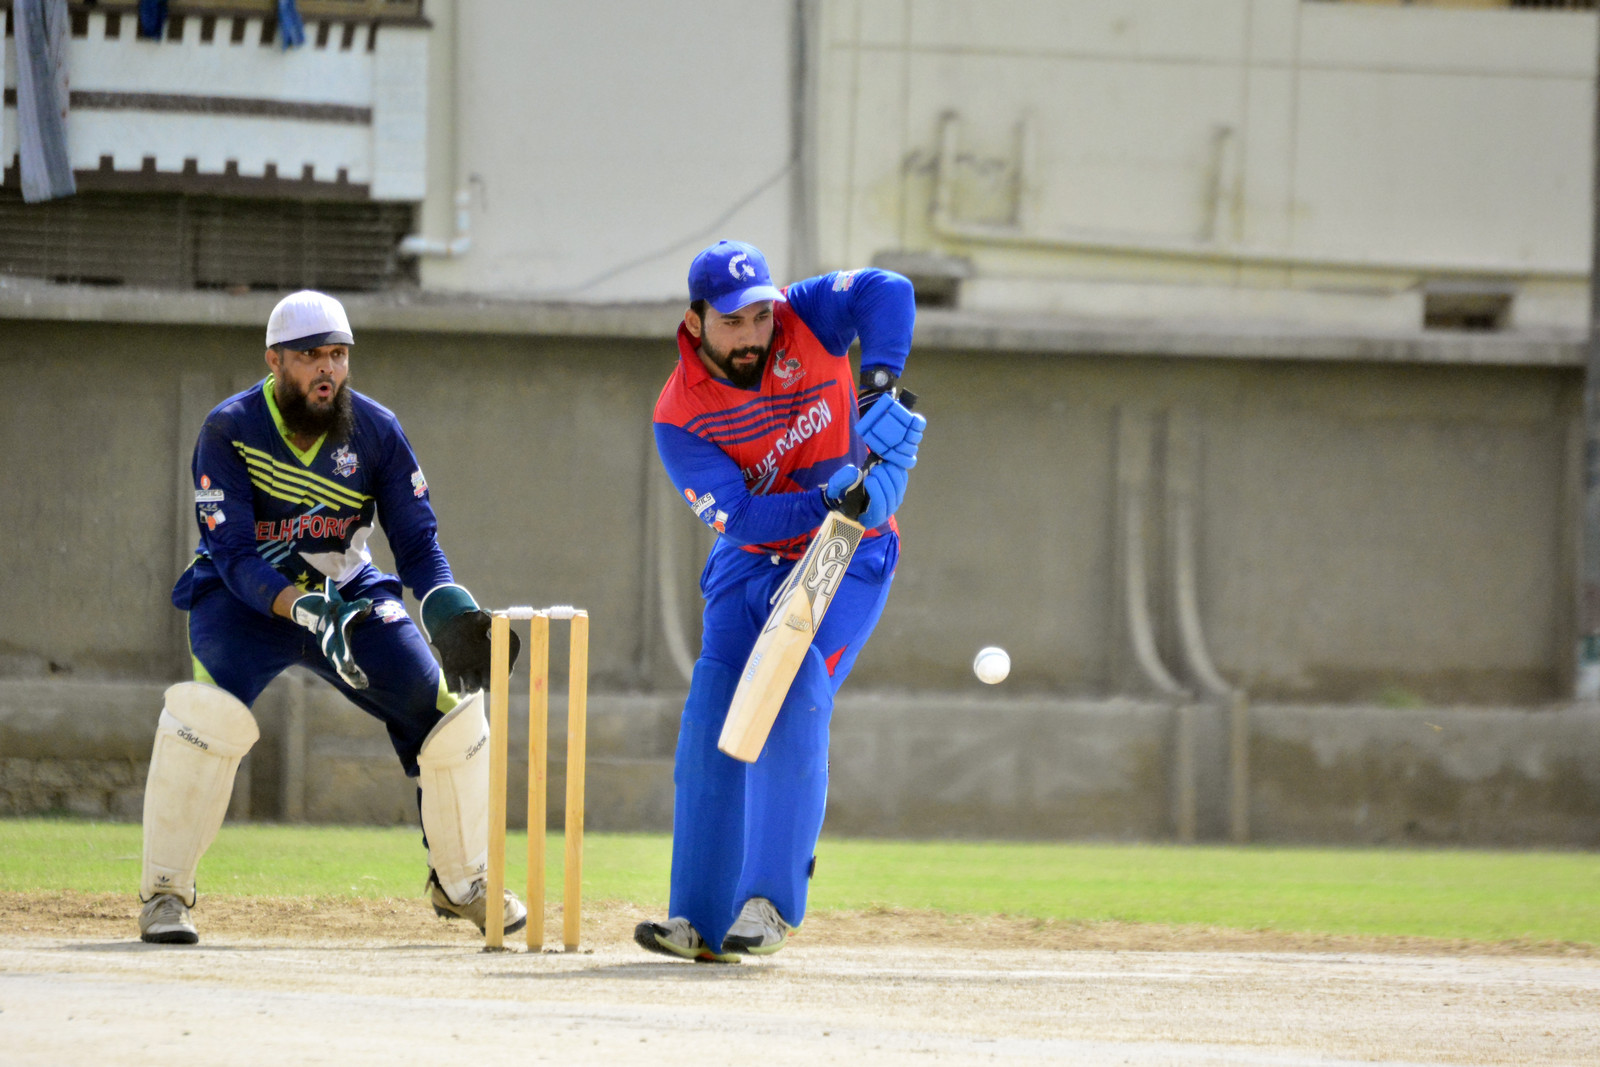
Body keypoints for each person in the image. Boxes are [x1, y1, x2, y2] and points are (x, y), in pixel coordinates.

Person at [138, 290, 525, 944]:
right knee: (205, 716)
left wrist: (447, 608)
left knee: (447, 712)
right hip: (243, 601)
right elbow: (233, 554)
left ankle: (462, 883)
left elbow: (418, 542)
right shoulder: (229, 429)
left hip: (349, 595)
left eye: (339, 355)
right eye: (311, 355)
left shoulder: (376, 430)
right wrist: (299, 606)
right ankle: (165, 895)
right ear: (274, 360)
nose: (328, 369)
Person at [635, 241, 926, 961]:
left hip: (848, 550)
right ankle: (697, 920)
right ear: (695, 320)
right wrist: (826, 497)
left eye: (760, 317)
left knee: (791, 682)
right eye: (732, 322)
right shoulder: (679, 413)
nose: (753, 336)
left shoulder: (807, 316)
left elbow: (889, 288)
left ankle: (768, 902)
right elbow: (740, 515)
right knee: (713, 711)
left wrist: (878, 386)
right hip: (752, 554)